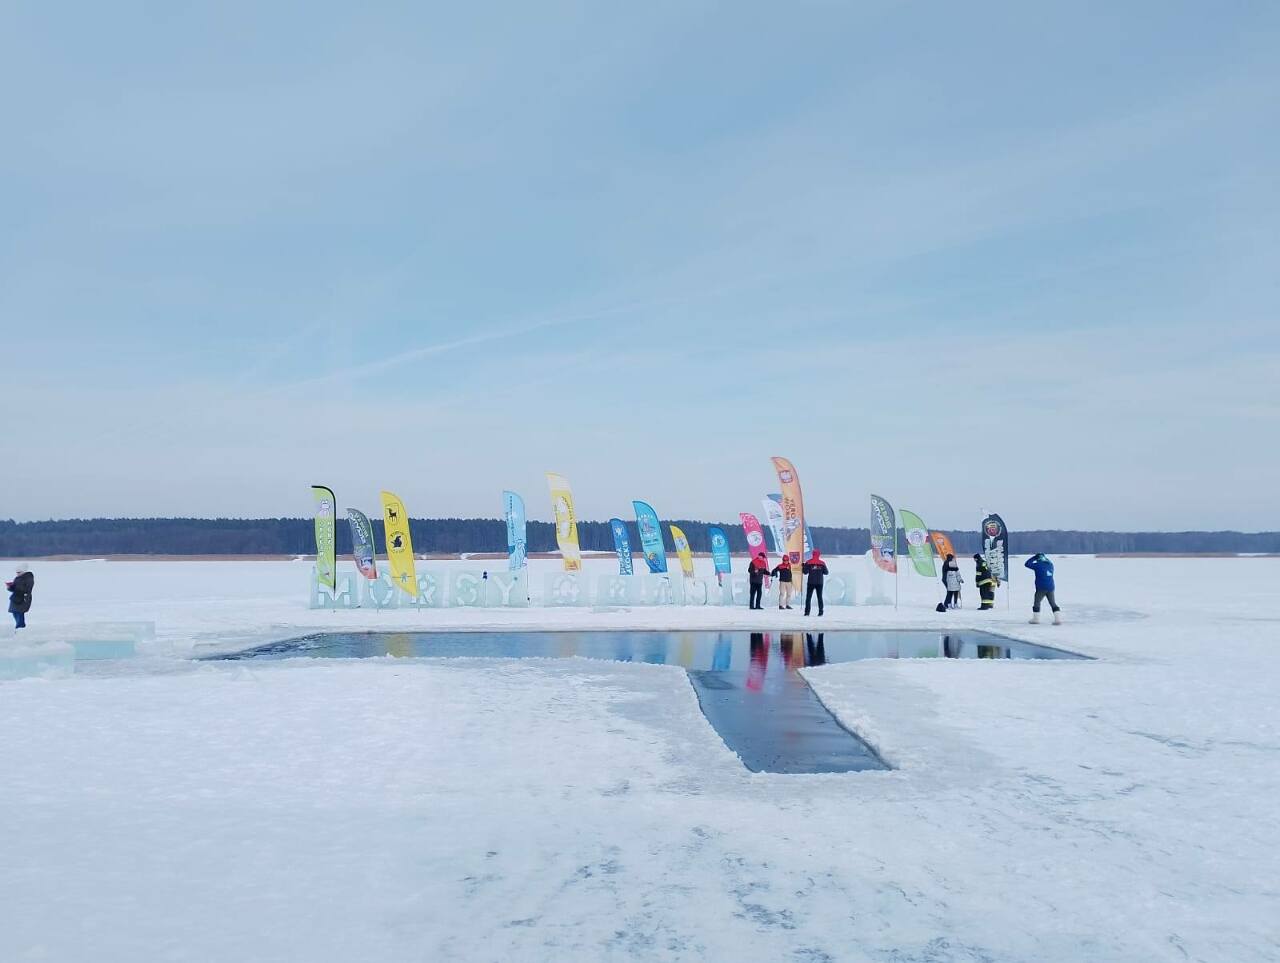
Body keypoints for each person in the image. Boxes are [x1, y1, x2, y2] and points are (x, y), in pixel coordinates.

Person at [1024, 553, 1061, 624]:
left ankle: (1036, 619)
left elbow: (1027, 564)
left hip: (1041, 587)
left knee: (1037, 602)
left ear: (1038, 559)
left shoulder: (1037, 565)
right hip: (1051, 587)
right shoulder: (1050, 564)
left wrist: (1034, 557)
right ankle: (1058, 619)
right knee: (1052, 603)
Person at [6, 564, 34, 629]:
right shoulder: (17, 578)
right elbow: (14, 588)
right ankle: (19, 627)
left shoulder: (29, 578)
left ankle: (20, 628)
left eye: (19, 572)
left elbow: (28, 589)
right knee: (14, 612)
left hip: (23, 599)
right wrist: (10, 587)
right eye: (16, 572)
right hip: (15, 598)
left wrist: (16, 588)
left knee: (20, 613)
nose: (17, 574)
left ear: (24, 572)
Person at [802, 550, 828, 616]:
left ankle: (807, 612)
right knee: (819, 597)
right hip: (819, 583)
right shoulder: (822, 563)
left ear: (812, 554)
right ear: (819, 555)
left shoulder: (808, 562)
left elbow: (805, 572)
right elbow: (826, 572)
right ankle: (821, 612)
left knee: (808, 598)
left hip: (811, 582)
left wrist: (803, 566)